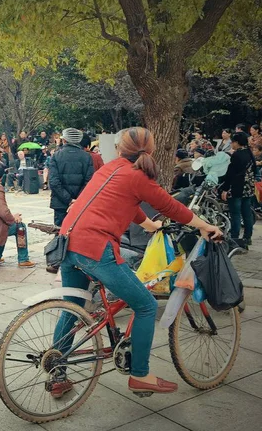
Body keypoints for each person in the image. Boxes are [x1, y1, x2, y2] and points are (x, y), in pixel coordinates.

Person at [51, 127, 223, 398]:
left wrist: (149, 224)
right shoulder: (137, 176)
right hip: (95, 248)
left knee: (72, 309)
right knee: (145, 305)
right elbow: (171, 206)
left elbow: (126, 204)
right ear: (151, 151)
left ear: (119, 149)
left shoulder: (108, 169)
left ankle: (56, 371)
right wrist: (204, 226)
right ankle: (140, 375)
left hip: (67, 243)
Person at [49, 128, 94, 227]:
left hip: (60, 203)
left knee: (60, 234)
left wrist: (69, 200)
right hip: (81, 204)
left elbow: (54, 182)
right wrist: (77, 201)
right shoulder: (87, 157)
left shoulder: (56, 156)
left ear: (64, 140)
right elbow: (89, 182)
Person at [220, 131, 257, 245]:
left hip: (236, 188)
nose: (231, 144)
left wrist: (225, 189)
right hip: (248, 188)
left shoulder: (236, 155)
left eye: (232, 142)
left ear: (237, 142)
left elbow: (231, 174)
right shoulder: (249, 153)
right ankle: (247, 237)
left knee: (235, 213)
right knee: (246, 213)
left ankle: (234, 238)